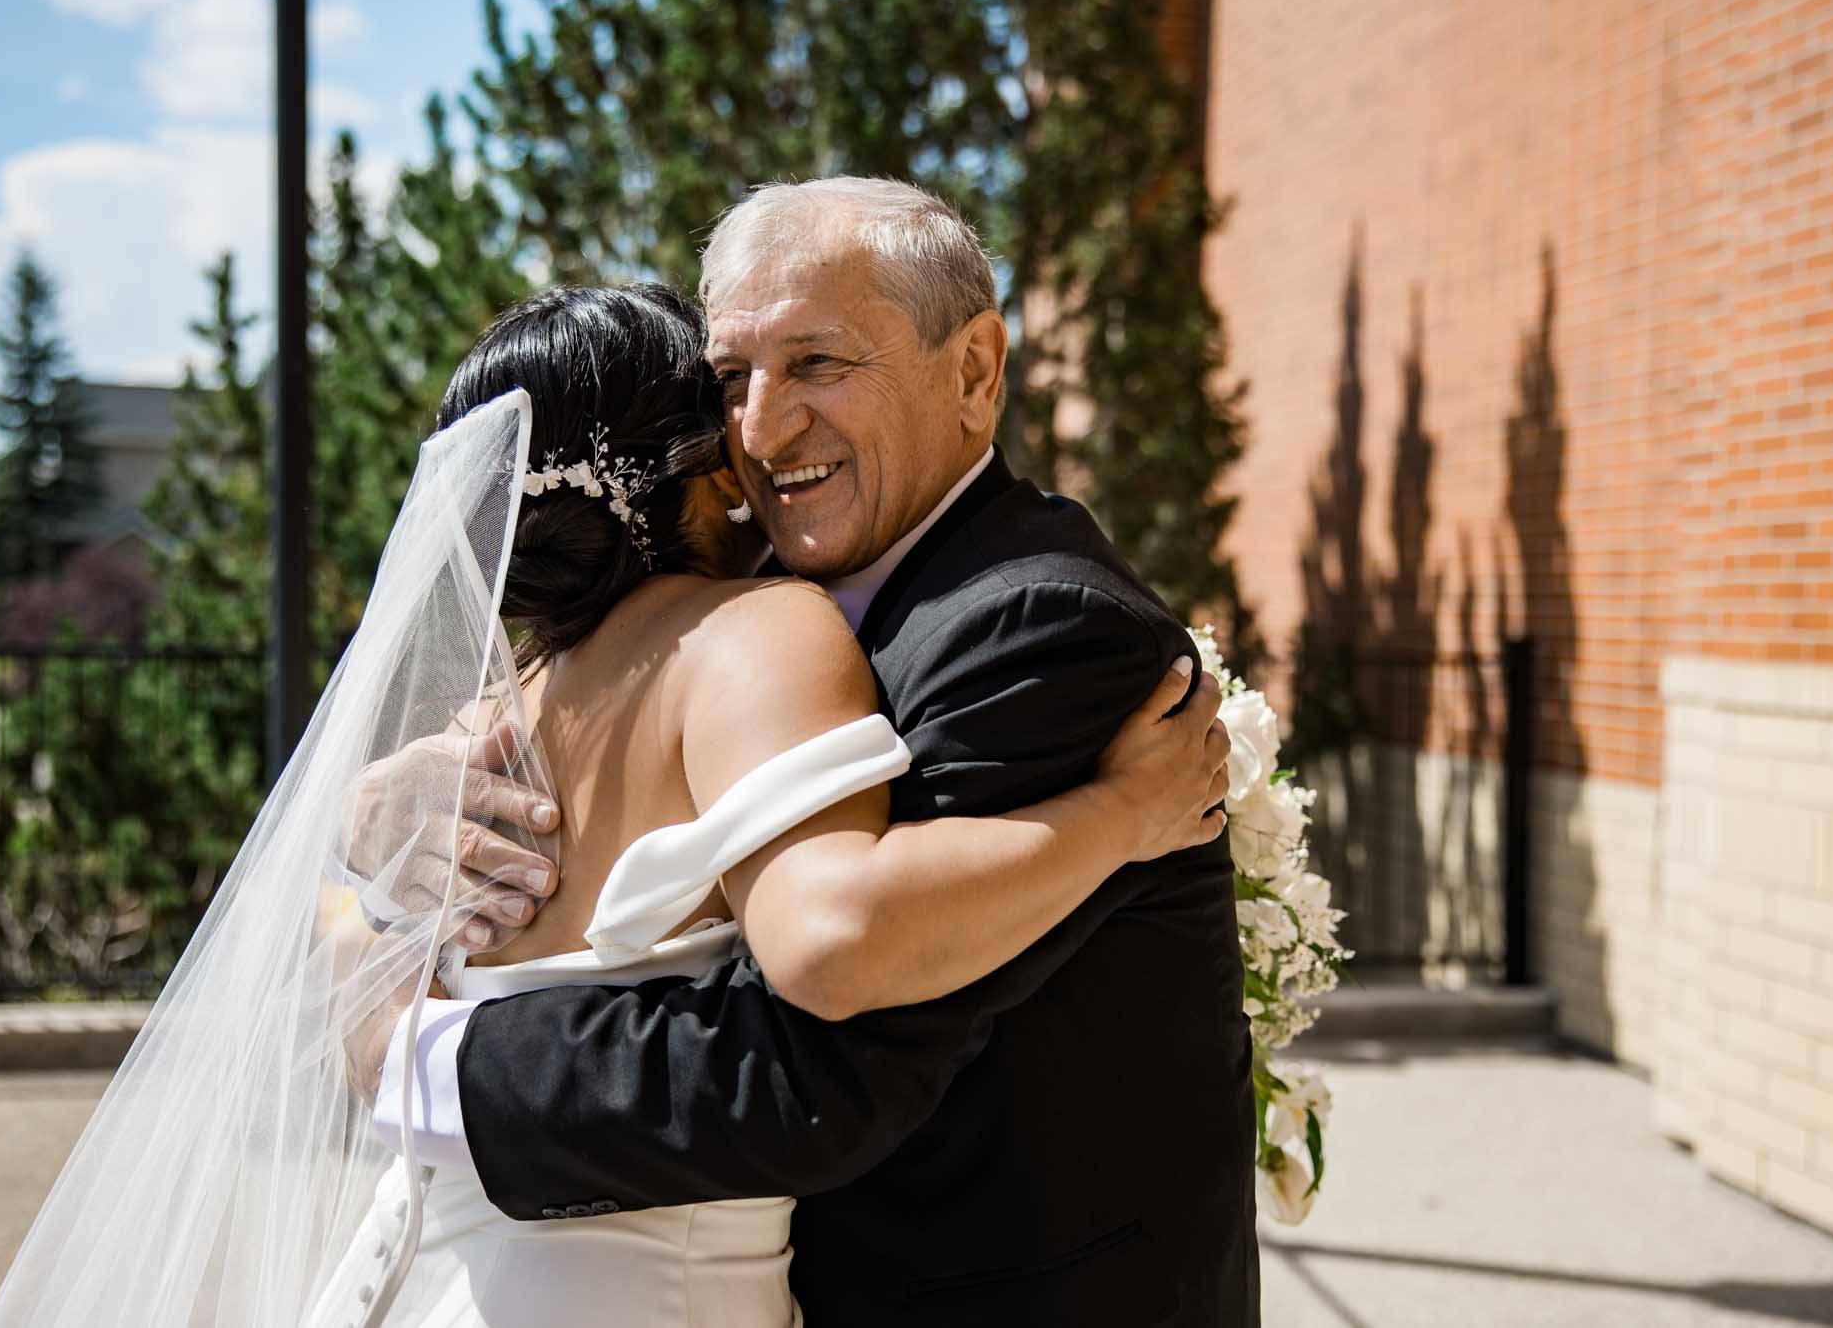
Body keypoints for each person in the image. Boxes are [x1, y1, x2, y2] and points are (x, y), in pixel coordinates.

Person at [364, 178, 1259, 1326]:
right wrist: (382, 820)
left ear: (976, 374)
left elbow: (807, 1076)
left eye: (818, 365)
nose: (758, 426)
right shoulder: (726, 619)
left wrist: (415, 1051)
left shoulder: (1039, 626)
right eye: (730, 378)